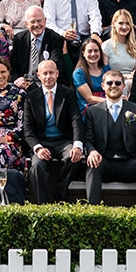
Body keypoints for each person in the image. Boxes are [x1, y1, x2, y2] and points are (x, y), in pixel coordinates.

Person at [83, 67, 136, 207]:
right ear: (103, 86)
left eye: (117, 83)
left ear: (123, 85)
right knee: (92, 164)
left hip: (129, 163)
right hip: (104, 163)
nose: (114, 86)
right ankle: (92, 212)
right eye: (110, 83)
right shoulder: (93, 111)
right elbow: (88, 139)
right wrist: (92, 151)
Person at [22, 58, 85, 204]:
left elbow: (76, 120)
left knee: (74, 157)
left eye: (51, 73)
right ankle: (42, 204)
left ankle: (59, 195)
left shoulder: (68, 94)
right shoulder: (31, 97)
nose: (48, 76)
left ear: (57, 74)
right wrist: (37, 148)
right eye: (45, 73)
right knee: (36, 166)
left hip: (63, 140)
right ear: (38, 75)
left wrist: (77, 145)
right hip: (42, 141)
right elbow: (28, 127)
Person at [43, 0, 100, 68]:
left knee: (95, 46)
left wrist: (95, 33)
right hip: (60, 37)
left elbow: (95, 17)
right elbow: (49, 22)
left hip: (84, 37)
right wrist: (62, 33)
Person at [102, 7, 136, 75]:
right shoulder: (106, 46)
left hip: (131, 81)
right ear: (113, 24)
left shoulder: (135, 46)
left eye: (127, 23)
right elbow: (106, 72)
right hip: (114, 81)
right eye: (121, 23)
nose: (124, 27)